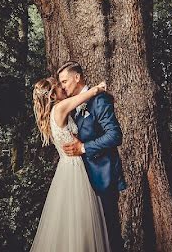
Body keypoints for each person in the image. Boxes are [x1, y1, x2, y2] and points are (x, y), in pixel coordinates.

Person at [29, 74, 111, 252]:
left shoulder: (53, 114)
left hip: (66, 167)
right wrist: (99, 88)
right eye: (59, 86)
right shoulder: (59, 108)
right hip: (74, 167)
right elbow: (84, 96)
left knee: (69, 219)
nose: (63, 88)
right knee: (80, 218)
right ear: (52, 95)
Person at [57, 61, 126, 252]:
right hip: (82, 181)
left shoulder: (99, 100)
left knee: (110, 233)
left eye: (64, 81)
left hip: (103, 177)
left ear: (77, 77)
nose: (62, 87)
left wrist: (84, 148)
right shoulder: (72, 105)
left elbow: (114, 135)